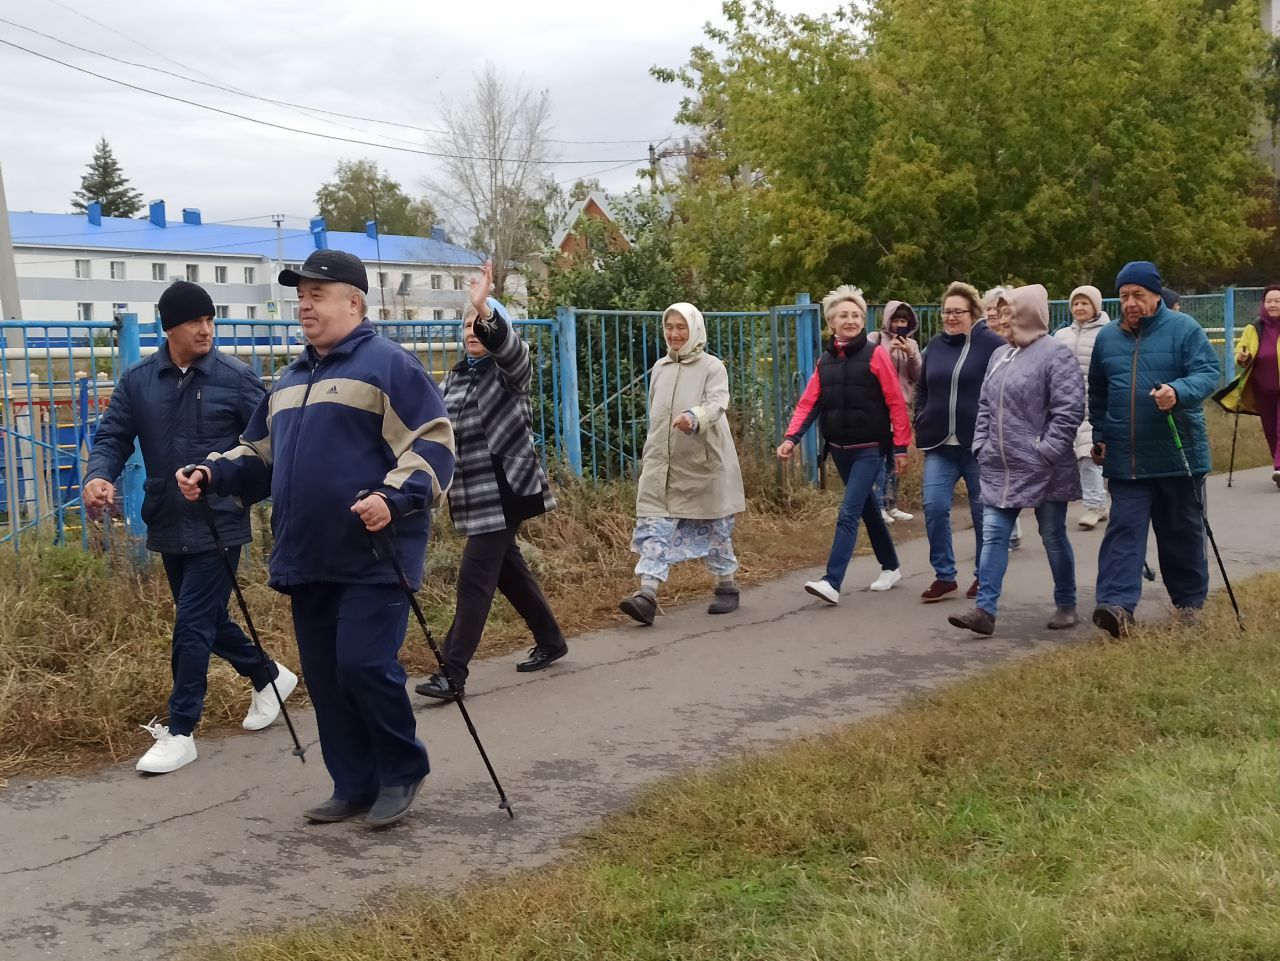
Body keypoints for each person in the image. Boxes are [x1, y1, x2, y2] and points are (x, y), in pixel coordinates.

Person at [178, 249, 456, 828]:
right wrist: (213, 472)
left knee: (363, 666)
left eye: (316, 294)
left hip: (375, 552)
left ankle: (401, 770)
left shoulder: (390, 366)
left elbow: (431, 445)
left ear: (354, 302)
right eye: (300, 295)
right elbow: (257, 455)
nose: (303, 304)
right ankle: (352, 783)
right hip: (307, 555)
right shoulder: (291, 378)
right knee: (327, 680)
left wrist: (391, 497)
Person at [83, 280, 292, 775]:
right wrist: (97, 476)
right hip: (166, 516)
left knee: (192, 623)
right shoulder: (138, 380)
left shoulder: (236, 377)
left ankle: (181, 731)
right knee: (204, 620)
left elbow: (268, 447)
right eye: (195, 321)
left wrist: (238, 489)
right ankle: (268, 676)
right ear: (169, 327)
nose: (206, 330)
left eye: (210, 320)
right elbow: (113, 435)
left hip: (219, 522)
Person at [415, 262, 567, 702]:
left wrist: (484, 308)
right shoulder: (456, 378)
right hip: (473, 493)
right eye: (466, 324)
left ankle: (453, 671)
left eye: (478, 324)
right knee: (507, 571)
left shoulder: (509, 371)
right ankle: (552, 639)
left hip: (507, 488)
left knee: (474, 577)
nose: (471, 331)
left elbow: (512, 352)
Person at [1088, 261, 1220, 638]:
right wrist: (1100, 433)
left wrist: (1178, 392)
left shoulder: (1183, 329)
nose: (1130, 302)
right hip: (1127, 458)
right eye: (1124, 295)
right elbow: (1098, 391)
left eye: (1138, 295)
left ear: (1156, 296)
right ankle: (1116, 606)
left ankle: (1189, 604)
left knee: (1181, 532)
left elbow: (1208, 372)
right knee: (1124, 531)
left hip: (1178, 454)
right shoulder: (1108, 338)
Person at [949, 284, 1084, 636]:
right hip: (999, 465)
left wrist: (1046, 450)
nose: (1002, 319)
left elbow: (1068, 410)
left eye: (1009, 312)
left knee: (1053, 534)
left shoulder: (1056, 354)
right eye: (1000, 312)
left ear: (1029, 313)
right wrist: (981, 443)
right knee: (994, 534)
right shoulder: (1000, 356)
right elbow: (984, 406)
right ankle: (985, 612)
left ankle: (1067, 604)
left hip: (1045, 468)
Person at [777, 285, 911, 604]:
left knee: (848, 511)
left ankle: (832, 581)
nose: (850, 320)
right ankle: (891, 566)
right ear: (831, 323)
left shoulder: (875, 354)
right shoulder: (825, 361)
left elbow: (895, 402)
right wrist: (790, 438)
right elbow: (809, 404)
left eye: (856, 315)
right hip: (839, 449)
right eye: (843, 316)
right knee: (867, 510)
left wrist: (901, 446)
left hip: (870, 448)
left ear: (863, 320)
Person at [619, 303, 746, 624]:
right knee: (654, 528)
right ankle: (647, 594)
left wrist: (695, 417)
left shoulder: (712, 367)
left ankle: (727, 586)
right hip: (661, 466)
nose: (674, 334)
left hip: (704, 466)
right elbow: (655, 418)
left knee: (716, 529)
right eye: (670, 327)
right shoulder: (659, 368)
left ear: (695, 329)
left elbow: (717, 404)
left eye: (681, 327)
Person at [914, 282, 1006, 602]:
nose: (951, 317)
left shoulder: (993, 345)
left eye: (958, 312)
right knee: (934, 506)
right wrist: (920, 416)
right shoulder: (935, 346)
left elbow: (1005, 390)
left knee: (983, 513)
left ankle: (985, 575)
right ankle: (945, 575)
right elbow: (923, 387)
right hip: (940, 444)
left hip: (979, 446)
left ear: (974, 314)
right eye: (947, 312)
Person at [1054, 285, 1112, 528]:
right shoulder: (1061, 336)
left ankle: (1094, 506)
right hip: (1067, 407)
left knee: (1089, 457)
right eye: (1075, 303)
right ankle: (1095, 500)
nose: (1079, 307)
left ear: (1096, 307)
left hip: (1095, 405)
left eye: (1084, 303)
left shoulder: (1108, 333)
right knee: (1072, 459)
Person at [1218, 284, 1280, 488]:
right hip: (1262, 388)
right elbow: (1241, 356)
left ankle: (1279, 466)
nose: (1272, 305)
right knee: (1271, 430)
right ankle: (1278, 468)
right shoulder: (1253, 328)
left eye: (1277, 301)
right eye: (1269, 301)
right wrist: (1243, 357)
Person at [868, 300, 920, 524]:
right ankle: (878, 505)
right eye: (896, 320)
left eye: (903, 321)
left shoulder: (913, 344)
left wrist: (910, 354)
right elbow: (870, 367)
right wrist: (888, 352)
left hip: (901, 407)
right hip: (879, 406)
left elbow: (919, 375)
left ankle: (892, 504)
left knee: (896, 458)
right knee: (878, 459)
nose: (899, 324)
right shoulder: (875, 339)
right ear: (888, 320)